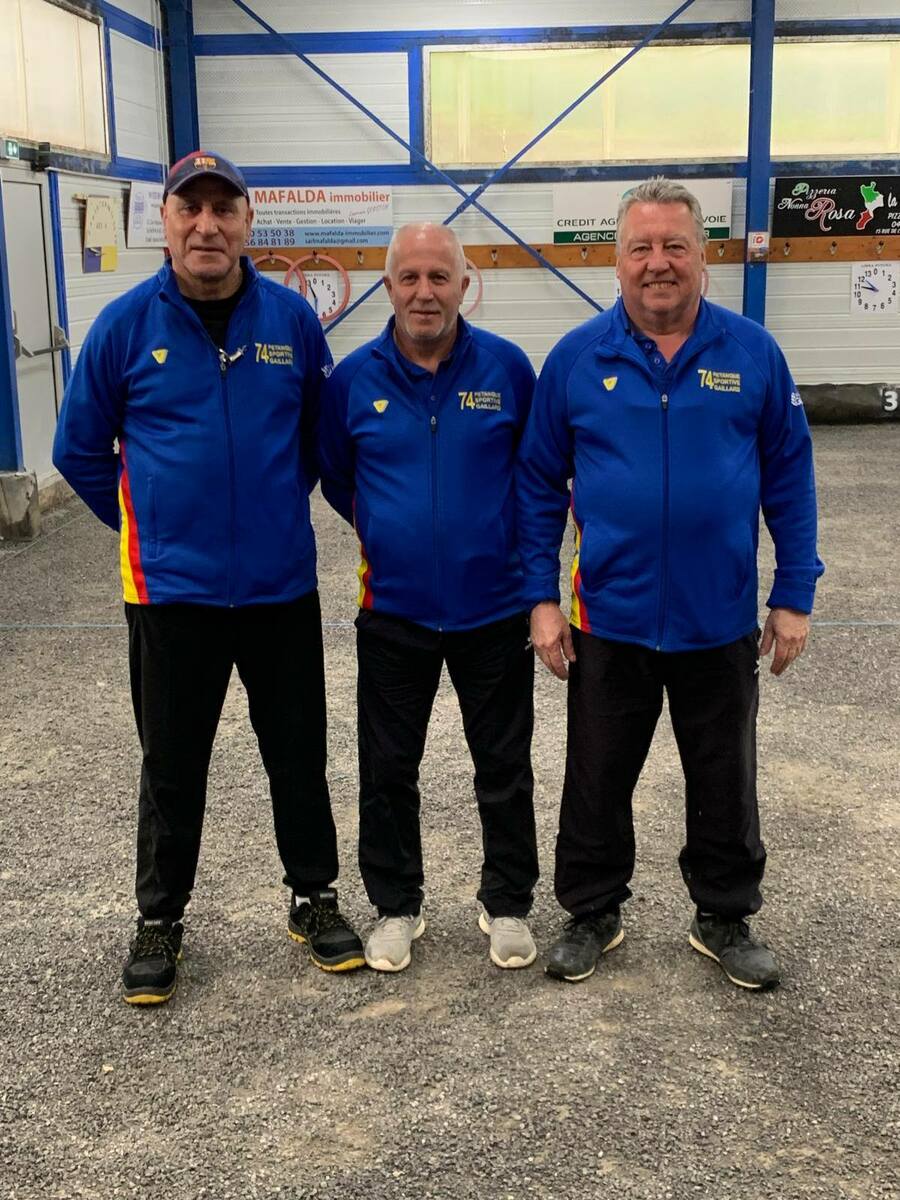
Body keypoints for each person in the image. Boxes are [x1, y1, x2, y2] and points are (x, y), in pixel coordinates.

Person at [52, 150, 364, 1005]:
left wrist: (270, 510)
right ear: (166, 222)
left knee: (296, 753)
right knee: (172, 762)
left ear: (247, 224)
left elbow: (318, 440)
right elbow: (78, 450)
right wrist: (148, 527)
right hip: (170, 597)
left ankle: (313, 897)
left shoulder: (292, 323)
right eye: (190, 209)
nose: (207, 226)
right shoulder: (124, 327)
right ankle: (160, 917)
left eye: (224, 210)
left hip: (279, 591)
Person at [517, 177, 824, 990]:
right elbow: (538, 484)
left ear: (703, 257)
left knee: (724, 776)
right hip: (609, 618)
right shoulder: (577, 359)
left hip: (716, 619)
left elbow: (790, 480)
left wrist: (794, 593)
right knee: (596, 776)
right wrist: (541, 600)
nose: (658, 263)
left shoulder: (753, 354)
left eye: (674, 246)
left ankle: (723, 913)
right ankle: (592, 910)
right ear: (616, 262)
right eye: (641, 248)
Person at [318, 223, 539, 973]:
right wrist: (391, 529)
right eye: (408, 277)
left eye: (439, 277)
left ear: (464, 285)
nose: (424, 292)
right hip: (394, 613)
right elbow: (339, 478)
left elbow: (535, 474)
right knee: (387, 770)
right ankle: (395, 906)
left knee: (503, 766)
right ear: (388, 287)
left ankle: (507, 902)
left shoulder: (508, 370)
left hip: (495, 611)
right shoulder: (353, 381)